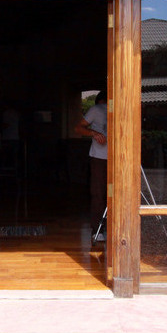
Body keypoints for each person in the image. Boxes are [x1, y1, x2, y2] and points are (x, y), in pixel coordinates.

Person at [75, 90, 108, 243]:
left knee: (111, 195)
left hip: (118, 158)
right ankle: (98, 230)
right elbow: (79, 128)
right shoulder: (96, 110)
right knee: (98, 193)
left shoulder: (121, 109)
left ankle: (113, 229)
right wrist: (94, 133)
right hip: (99, 157)